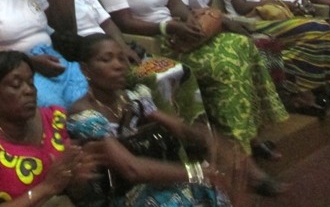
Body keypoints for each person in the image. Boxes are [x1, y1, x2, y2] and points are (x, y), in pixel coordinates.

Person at [95, 0, 288, 193]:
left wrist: (191, 24)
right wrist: (168, 27)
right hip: (156, 40)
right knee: (226, 66)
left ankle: (251, 136)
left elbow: (176, 4)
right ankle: (240, 159)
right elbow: (123, 21)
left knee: (244, 45)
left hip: (181, 34)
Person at [67, 35, 233, 207]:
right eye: (106, 60)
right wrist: (199, 173)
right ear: (86, 70)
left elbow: (180, 128)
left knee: (212, 191)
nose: (118, 65)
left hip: (148, 184)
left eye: (122, 59)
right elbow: (131, 169)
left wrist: (216, 144)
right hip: (116, 196)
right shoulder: (84, 115)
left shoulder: (131, 99)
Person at [0, 51, 99, 206]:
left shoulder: (54, 119)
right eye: (16, 85)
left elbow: (74, 193)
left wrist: (77, 181)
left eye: (30, 82)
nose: (29, 90)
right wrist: (46, 188)